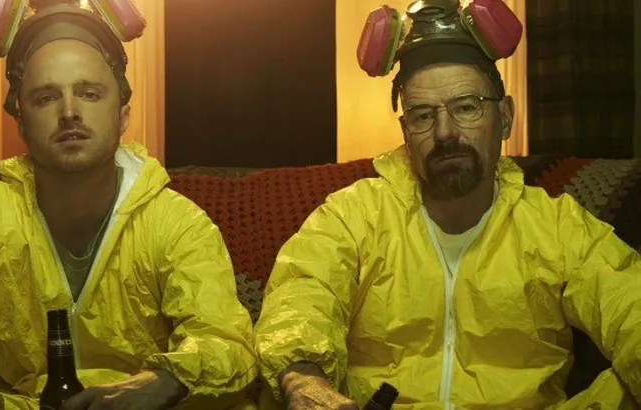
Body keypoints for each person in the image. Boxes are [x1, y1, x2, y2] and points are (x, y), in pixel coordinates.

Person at [254, 0, 641, 409]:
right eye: (422, 116)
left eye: (466, 107)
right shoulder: (353, 215)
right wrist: (304, 381)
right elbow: (303, 296)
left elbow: (628, 303)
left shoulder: (558, 226)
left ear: (505, 117)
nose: (444, 132)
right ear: (405, 132)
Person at [0, 1, 257, 409]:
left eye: (89, 94)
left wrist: (165, 383)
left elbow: (225, 342)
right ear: (21, 123)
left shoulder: (175, 222)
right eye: (46, 97)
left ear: (123, 115)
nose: (69, 113)